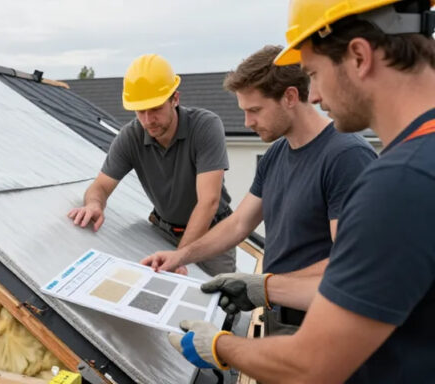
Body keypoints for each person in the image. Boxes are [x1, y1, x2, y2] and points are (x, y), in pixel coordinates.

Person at [173, 1, 435, 382]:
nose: (314, 96)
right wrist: (264, 287)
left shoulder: (398, 182)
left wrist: (219, 346)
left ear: (359, 57)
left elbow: (311, 364)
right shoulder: (418, 165)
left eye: (314, 73)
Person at [140, 45, 376, 335]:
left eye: (255, 110)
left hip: (324, 323)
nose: (247, 122)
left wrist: (264, 287)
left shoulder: (346, 157)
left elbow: (351, 263)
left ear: (290, 97)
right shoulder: (276, 154)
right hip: (279, 315)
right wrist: (180, 256)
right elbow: (239, 224)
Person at [68, 54, 235, 276]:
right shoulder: (131, 136)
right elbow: (101, 186)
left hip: (213, 234)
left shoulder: (205, 127)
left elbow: (209, 201)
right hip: (163, 231)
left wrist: (179, 256)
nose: (147, 120)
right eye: (140, 111)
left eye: (155, 108)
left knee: (221, 293)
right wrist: (94, 204)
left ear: (175, 99)